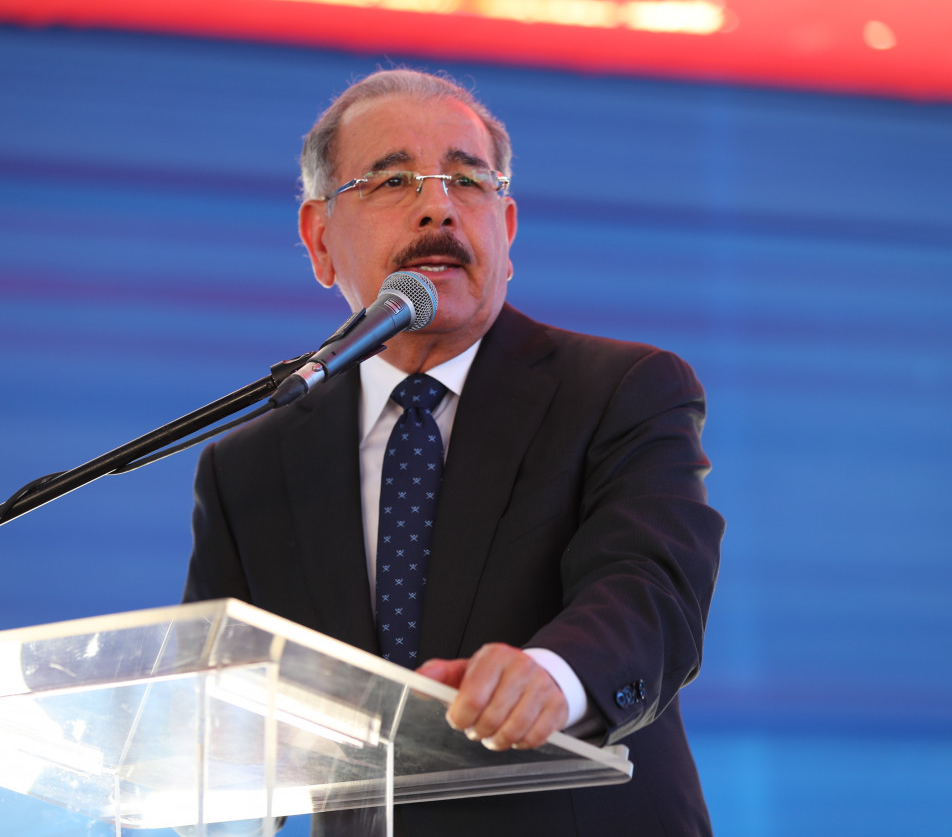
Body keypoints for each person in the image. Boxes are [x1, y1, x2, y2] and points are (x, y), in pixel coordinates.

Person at [183, 68, 724, 836]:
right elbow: (222, 714)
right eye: (393, 180)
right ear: (319, 238)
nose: (438, 205)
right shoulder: (248, 468)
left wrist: (554, 676)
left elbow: (651, 590)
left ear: (506, 229)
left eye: (467, 181)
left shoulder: (622, 391)